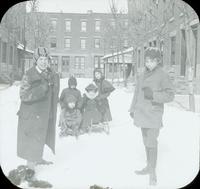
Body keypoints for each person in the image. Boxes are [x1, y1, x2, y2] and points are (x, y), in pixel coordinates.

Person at [129, 47, 175, 185]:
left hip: (154, 114)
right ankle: (148, 167)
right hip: (142, 112)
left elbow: (170, 95)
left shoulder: (163, 75)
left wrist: (154, 95)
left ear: (158, 61)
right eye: (147, 61)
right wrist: (132, 108)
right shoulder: (142, 74)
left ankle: (153, 171)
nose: (148, 63)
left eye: (152, 61)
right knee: (145, 141)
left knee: (151, 142)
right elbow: (136, 93)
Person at [17, 47, 60, 177]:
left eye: (45, 59)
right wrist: (41, 89)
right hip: (31, 114)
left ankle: (38, 158)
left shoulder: (50, 74)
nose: (43, 62)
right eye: (41, 59)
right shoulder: (29, 74)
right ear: (36, 60)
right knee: (32, 138)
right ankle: (30, 166)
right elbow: (23, 95)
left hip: (44, 113)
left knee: (41, 135)